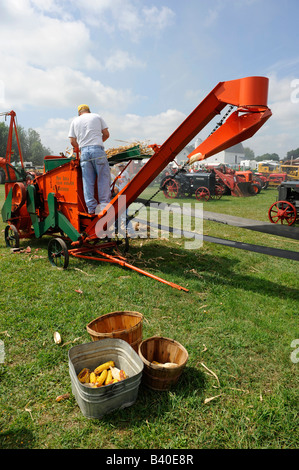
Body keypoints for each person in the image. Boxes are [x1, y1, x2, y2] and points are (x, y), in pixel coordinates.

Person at [68, 104, 111, 215]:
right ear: (89, 111)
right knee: (103, 178)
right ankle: (104, 207)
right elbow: (106, 134)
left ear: (79, 112)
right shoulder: (97, 116)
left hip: (84, 152)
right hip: (98, 150)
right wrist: (97, 143)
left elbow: (72, 141)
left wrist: (82, 147)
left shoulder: (75, 121)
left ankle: (91, 209)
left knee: (87, 181)